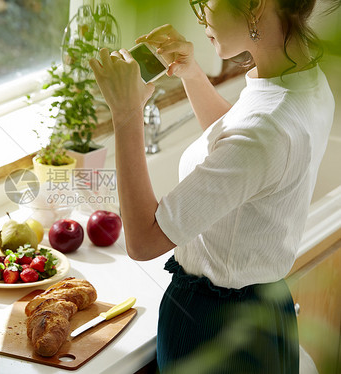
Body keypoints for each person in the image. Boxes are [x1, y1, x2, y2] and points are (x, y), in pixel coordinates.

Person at [89, 0, 339, 372]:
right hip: (264, 316)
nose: (200, 12)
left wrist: (126, 114)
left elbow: (142, 242)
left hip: (213, 330)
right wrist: (192, 75)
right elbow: (242, 156)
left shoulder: (266, 128)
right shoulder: (300, 78)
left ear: (255, 5)